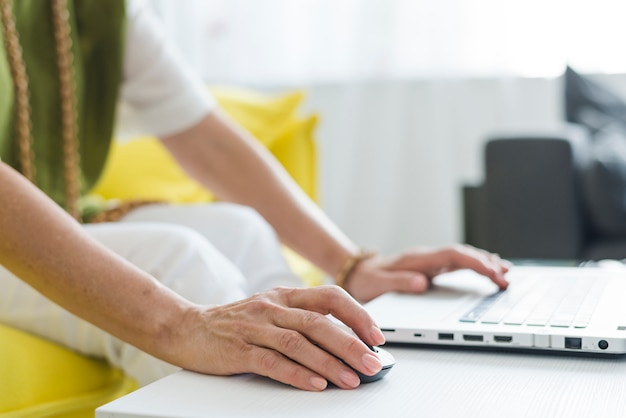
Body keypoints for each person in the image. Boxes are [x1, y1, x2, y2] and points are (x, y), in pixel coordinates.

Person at [0, 0, 510, 391]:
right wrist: (185, 326)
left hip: (62, 214)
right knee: (178, 258)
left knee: (242, 230)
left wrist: (350, 264)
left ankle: (339, 380)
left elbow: (207, 139)